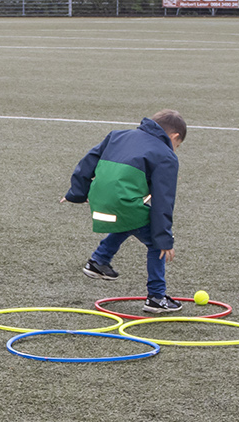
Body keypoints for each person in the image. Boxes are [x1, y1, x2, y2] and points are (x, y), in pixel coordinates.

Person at [64, 109, 187, 313]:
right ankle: (156, 297)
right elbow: (163, 201)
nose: (175, 149)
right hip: (123, 202)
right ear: (174, 137)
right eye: (178, 146)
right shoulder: (166, 155)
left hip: (99, 199)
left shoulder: (117, 135)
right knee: (155, 242)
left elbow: (87, 162)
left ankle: (99, 261)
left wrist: (76, 193)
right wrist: (164, 239)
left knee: (133, 220)